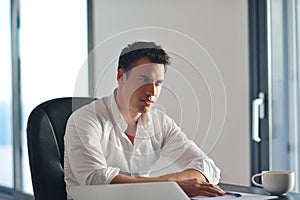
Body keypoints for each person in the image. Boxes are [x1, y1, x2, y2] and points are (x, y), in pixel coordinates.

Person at [64, 41, 225, 199]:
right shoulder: (84, 120)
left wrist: (167, 183)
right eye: (144, 80)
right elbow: (96, 182)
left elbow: (208, 167)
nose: (152, 92)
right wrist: (170, 186)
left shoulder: (160, 122)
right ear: (121, 76)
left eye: (158, 83)